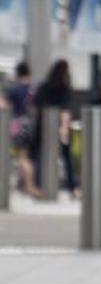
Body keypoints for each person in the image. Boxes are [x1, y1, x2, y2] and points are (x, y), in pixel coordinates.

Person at [30, 60, 77, 197]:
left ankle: (39, 187)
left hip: (42, 127)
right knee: (66, 158)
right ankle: (72, 188)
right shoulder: (64, 89)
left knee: (39, 157)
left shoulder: (43, 87)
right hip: (58, 127)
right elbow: (65, 111)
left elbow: (36, 108)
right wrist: (63, 128)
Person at [4, 62, 41, 198]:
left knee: (21, 157)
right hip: (31, 124)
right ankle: (25, 185)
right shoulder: (34, 88)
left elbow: (4, 104)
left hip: (18, 124)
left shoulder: (15, 89)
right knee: (28, 156)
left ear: (18, 73)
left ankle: (30, 186)